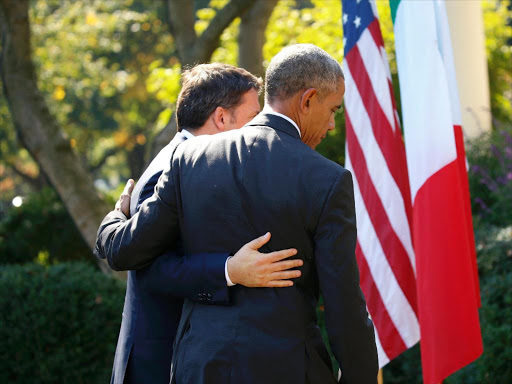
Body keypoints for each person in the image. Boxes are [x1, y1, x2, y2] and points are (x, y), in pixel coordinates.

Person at [96, 45, 378, 384]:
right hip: (286, 369)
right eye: (333, 109)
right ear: (307, 100)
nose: (333, 124)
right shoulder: (328, 179)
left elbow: (125, 251)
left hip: (198, 368)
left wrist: (116, 216)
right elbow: (343, 304)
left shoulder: (187, 160)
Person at [97, 63, 303, 384]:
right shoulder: (172, 169)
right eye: (252, 119)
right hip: (159, 359)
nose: (258, 130)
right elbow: (151, 269)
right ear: (221, 118)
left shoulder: (193, 161)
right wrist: (230, 270)